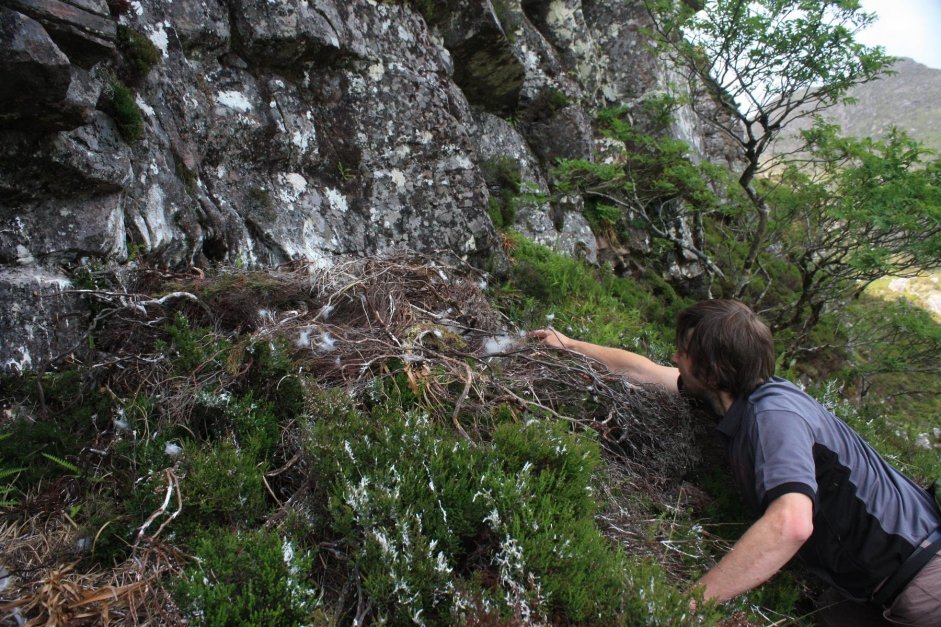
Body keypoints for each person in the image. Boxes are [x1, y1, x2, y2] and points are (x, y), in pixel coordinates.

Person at [531, 299, 941, 626]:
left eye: (685, 353)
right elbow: (646, 371)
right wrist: (570, 346)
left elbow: (792, 524)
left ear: (713, 372)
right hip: (878, 586)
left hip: (924, 584)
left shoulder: (773, 419)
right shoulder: (740, 396)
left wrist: (686, 607)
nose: (675, 358)